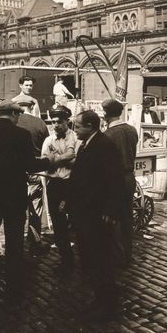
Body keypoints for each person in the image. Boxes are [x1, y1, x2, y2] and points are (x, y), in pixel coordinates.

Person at [0, 101, 50, 298]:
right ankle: (14, 280)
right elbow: (30, 165)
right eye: (18, 114)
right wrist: (49, 161)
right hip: (14, 196)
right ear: (13, 114)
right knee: (14, 240)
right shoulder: (21, 135)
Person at [68, 110, 125, 321]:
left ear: (90, 126)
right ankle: (99, 298)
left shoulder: (104, 146)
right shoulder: (87, 144)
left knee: (100, 259)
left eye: (77, 127)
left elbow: (115, 180)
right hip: (84, 212)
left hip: (97, 214)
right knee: (90, 258)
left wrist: (111, 210)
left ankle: (107, 303)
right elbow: (79, 177)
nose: (75, 130)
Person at [102, 98, 139, 267]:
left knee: (111, 217)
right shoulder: (132, 130)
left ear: (106, 115)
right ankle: (128, 254)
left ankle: (115, 256)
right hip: (129, 177)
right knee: (126, 217)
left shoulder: (107, 135)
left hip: (113, 180)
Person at [40, 106, 77, 274]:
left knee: (77, 221)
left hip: (72, 184)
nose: (55, 125)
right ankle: (66, 259)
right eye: (53, 122)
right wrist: (59, 161)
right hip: (54, 184)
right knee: (58, 224)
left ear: (67, 121)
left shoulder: (75, 138)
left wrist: (56, 159)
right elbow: (44, 162)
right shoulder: (48, 141)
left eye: (59, 122)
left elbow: (76, 161)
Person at [15, 101, 51, 256]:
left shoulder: (15, 123)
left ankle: (17, 241)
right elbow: (48, 144)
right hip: (36, 169)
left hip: (18, 170)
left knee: (18, 208)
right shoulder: (40, 123)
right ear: (32, 107)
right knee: (35, 206)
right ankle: (35, 240)